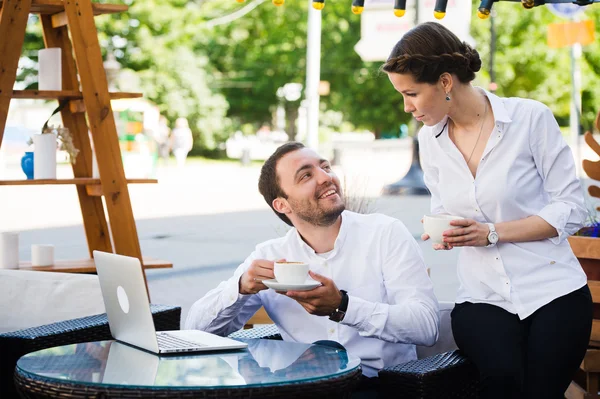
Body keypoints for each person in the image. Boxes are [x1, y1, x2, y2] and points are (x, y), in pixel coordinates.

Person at [382, 21, 592, 399]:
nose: (406, 107)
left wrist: (492, 232)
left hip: (553, 292)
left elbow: (572, 208)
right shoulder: (430, 141)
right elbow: (443, 206)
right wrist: (444, 229)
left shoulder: (529, 119)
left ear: (445, 82)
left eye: (411, 93)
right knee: (503, 385)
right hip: (482, 298)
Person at [185, 141, 440, 395]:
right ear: (282, 205)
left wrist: (344, 307)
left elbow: (426, 327)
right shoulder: (271, 256)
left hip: (381, 385)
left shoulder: (385, 233)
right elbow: (194, 331)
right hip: (303, 388)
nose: (325, 177)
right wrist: (240, 287)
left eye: (325, 166)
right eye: (306, 175)